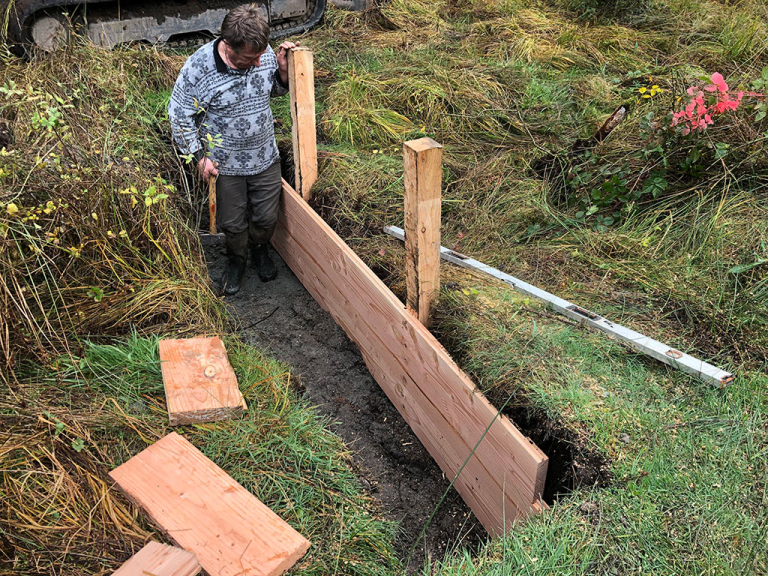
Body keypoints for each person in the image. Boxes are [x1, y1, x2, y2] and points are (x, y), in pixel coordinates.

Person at [168, 4, 297, 295]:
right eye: (248, 60)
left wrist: (284, 74)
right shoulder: (199, 68)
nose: (256, 65)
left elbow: (272, 88)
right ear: (228, 45)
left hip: (264, 155)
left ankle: (260, 250)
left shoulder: (261, 55)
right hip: (224, 164)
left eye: (259, 58)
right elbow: (179, 114)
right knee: (232, 222)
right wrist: (199, 157)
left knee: (266, 217)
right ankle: (237, 260)